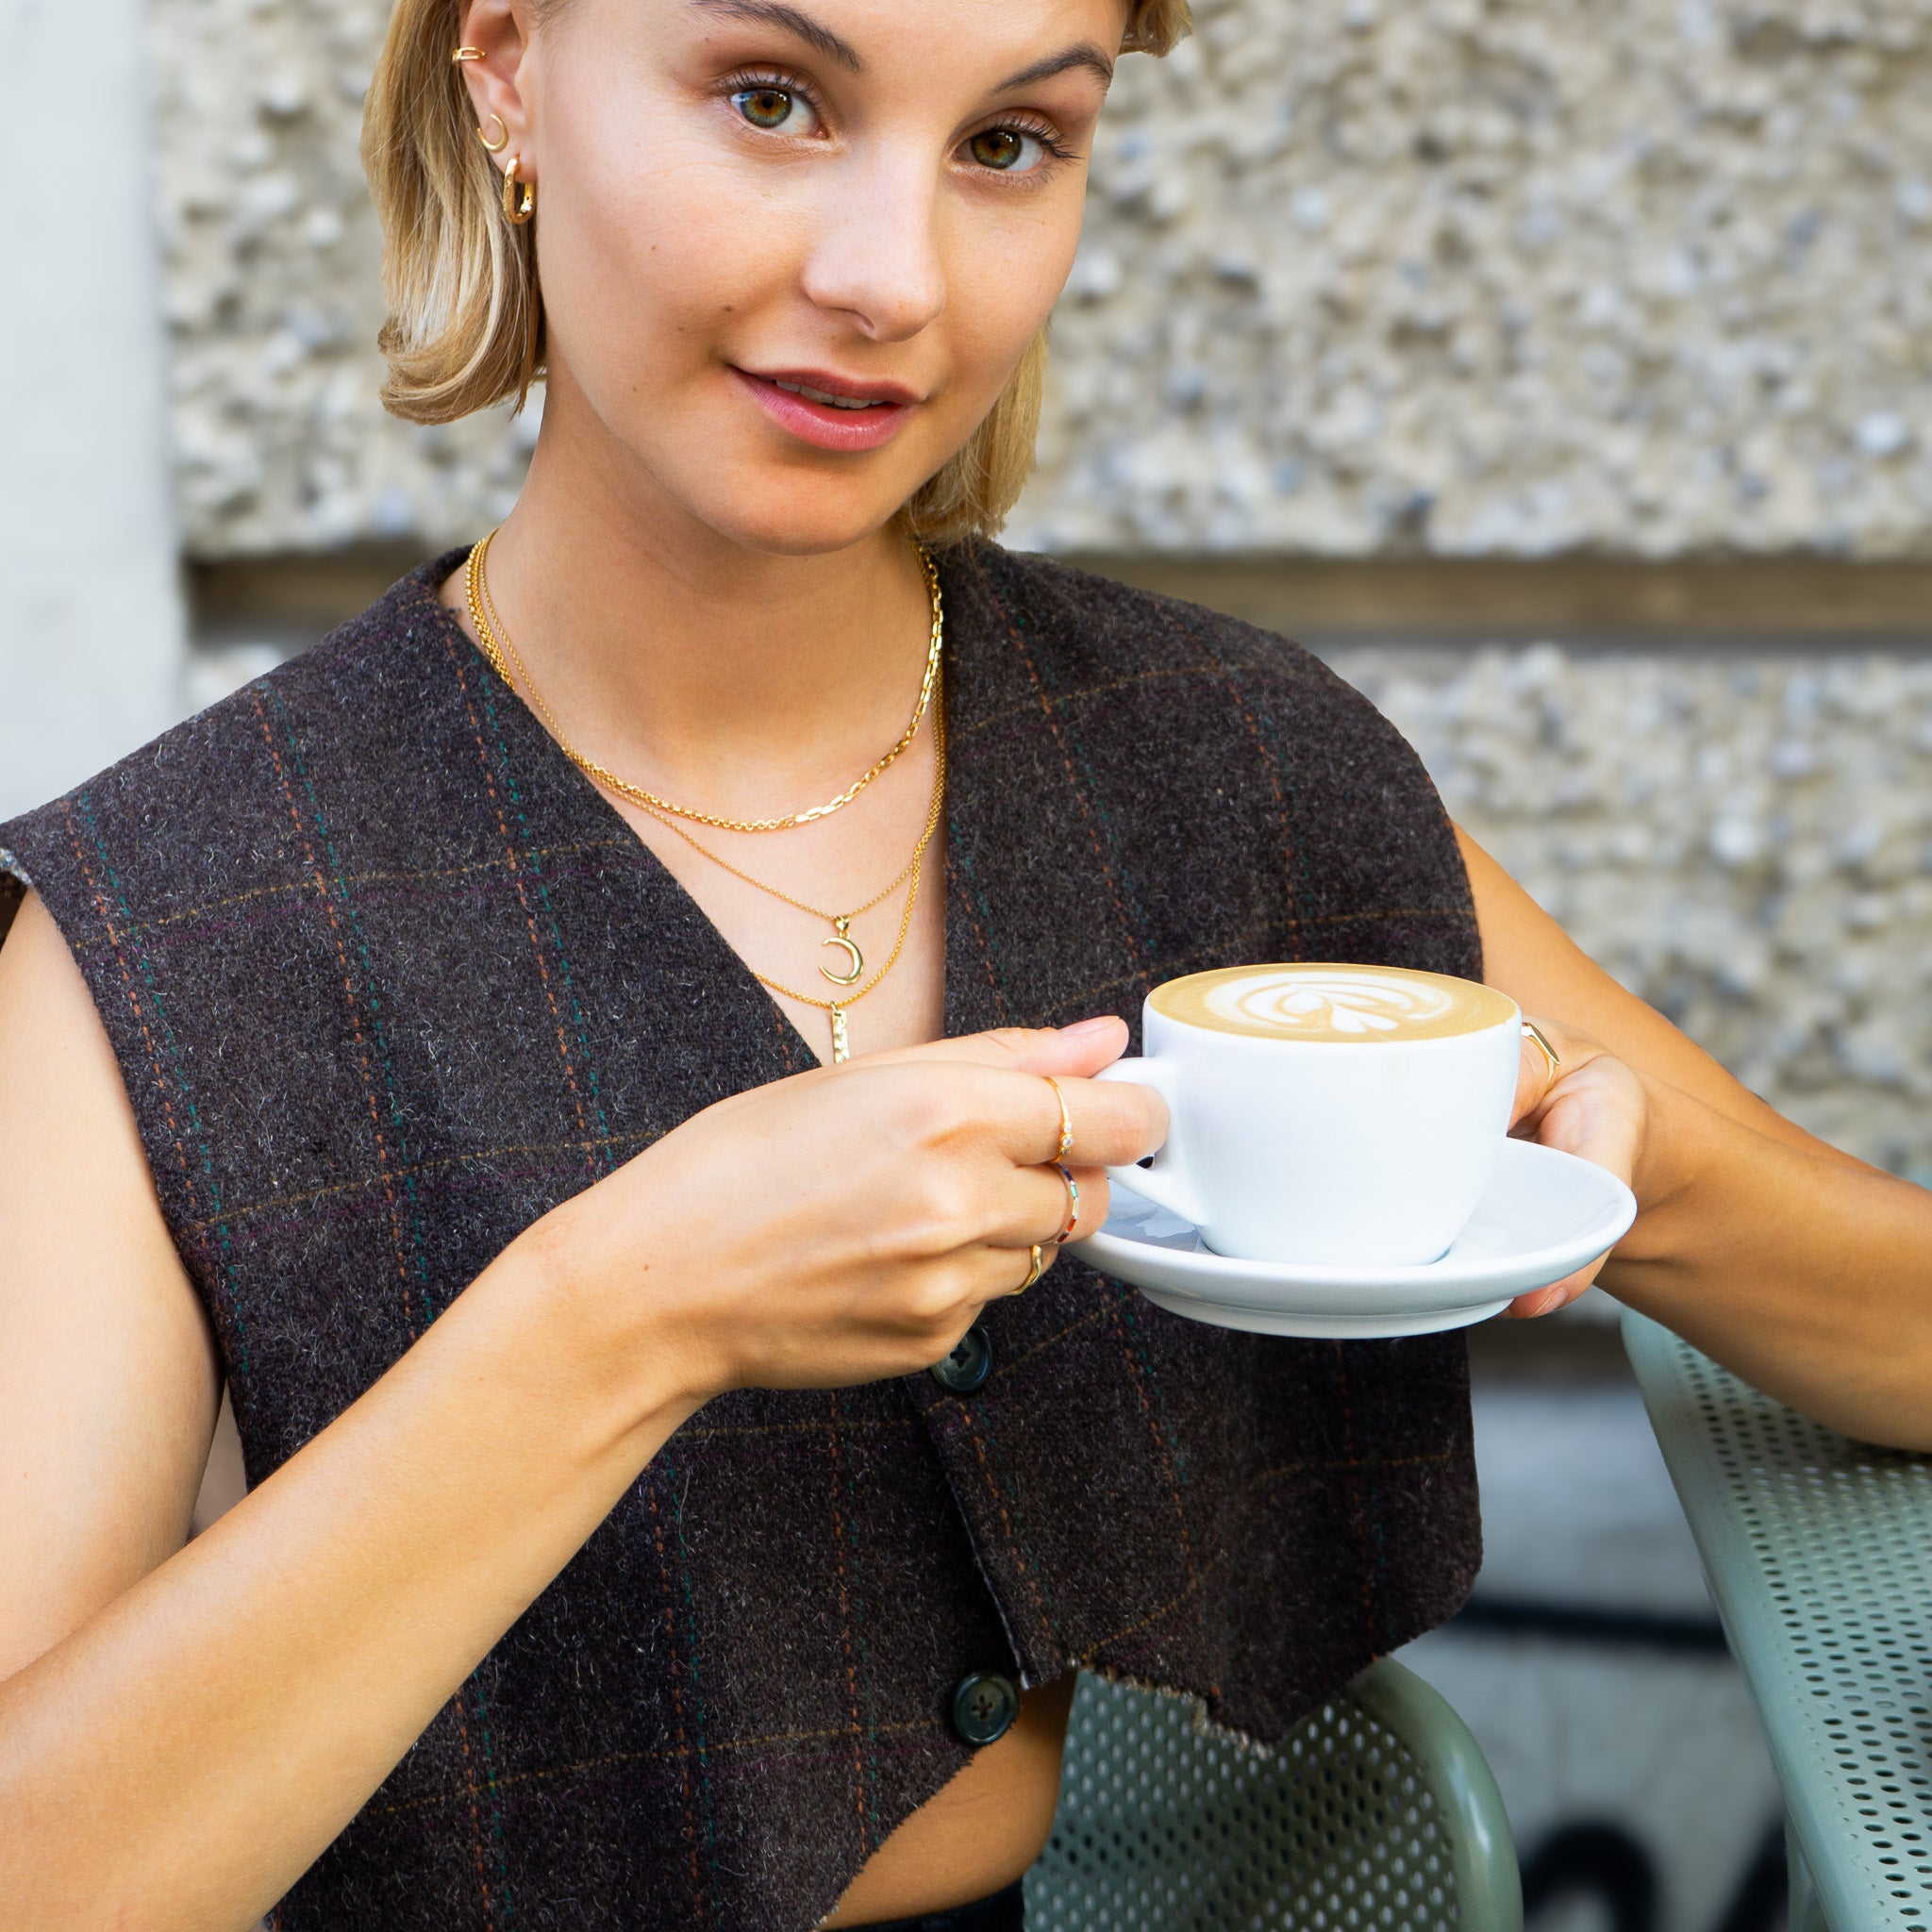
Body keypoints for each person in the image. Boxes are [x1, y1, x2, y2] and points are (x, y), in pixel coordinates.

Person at [0, 0, 1925, 1926]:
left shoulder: (1221, 764)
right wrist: (616, 1316)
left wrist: (1635, 1179)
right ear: (505, 65)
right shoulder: (160, 931)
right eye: (770, 101)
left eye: (1008, 142)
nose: (889, 281)